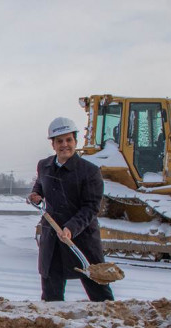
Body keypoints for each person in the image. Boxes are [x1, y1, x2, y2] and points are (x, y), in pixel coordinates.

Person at [28, 117, 114, 302]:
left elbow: (91, 207)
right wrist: (35, 194)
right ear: (53, 144)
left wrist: (70, 228)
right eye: (59, 141)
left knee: (99, 291)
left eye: (69, 140)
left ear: (75, 142)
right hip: (52, 240)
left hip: (82, 240)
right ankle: (52, 326)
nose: (64, 145)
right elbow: (40, 186)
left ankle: (112, 323)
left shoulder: (89, 171)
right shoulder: (45, 166)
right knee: (51, 294)